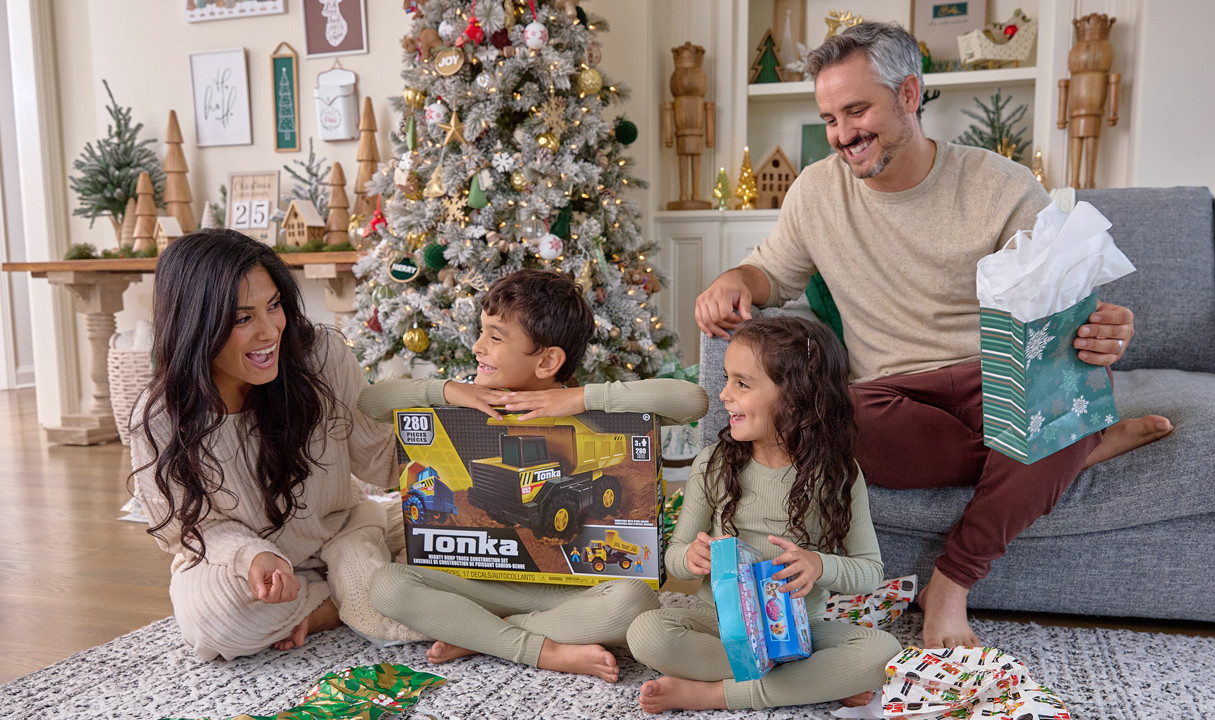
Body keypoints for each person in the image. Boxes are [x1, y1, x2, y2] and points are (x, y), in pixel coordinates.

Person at [694, 22, 1173, 649]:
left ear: (910, 95)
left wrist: (1101, 330)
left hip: (996, 375)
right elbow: (769, 274)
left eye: (857, 110)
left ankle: (950, 582)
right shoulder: (815, 192)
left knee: (1065, 388)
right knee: (824, 416)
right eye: (831, 117)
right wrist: (734, 279)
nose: (842, 134)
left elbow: (1063, 303)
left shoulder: (1000, 186)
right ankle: (1067, 447)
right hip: (889, 398)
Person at [361, 269, 708, 682]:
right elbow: (371, 401)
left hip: (582, 593)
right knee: (387, 585)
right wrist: (448, 391)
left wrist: (581, 398)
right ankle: (543, 647)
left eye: (495, 336)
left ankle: (485, 635)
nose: (476, 347)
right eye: (482, 331)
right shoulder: (468, 402)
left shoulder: (587, 409)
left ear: (547, 360)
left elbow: (693, 400)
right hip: (488, 586)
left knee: (634, 601)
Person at [129, 228, 427, 661]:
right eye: (243, 318)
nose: (270, 331)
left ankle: (339, 594)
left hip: (341, 529)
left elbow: (378, 457)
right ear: (196, 323)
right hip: (243, 563)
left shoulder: (320, 357)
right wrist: (251, 557)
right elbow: (187, 529)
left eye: (274, 306)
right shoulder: (159, 419)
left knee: (462, 545)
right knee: (214, 623)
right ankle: (344, 595)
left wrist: (451, 444)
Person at [627, 316, 902, 714]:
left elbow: (870, 570)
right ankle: (810, 683)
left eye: (742, 383)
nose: (723, 394)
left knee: (882, 652)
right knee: (646, 633)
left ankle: (714, 694)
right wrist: (690, 559)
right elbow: (675, 557)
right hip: (720, 624)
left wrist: (818, 565)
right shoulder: (714, 463)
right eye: (727, 379)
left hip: (800, 633)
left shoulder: (840, 473)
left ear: (796, 396)